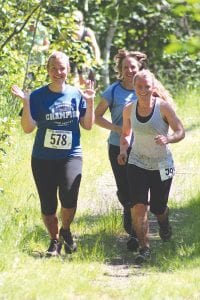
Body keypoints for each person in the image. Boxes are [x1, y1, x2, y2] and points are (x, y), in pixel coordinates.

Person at [11, 51, 95, 257]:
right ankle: (54, 240)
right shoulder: (38, 96)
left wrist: (90, 102)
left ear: (67, 70)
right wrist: (26, 102)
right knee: (48, 204)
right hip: (43, 158)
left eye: (62, 68)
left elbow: (88, 125)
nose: (59, 72)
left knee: (69, 199)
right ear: (48, 71)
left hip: (70, 156)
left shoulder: (76, 94)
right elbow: (28, 128)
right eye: (54, 68)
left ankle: (65, 229)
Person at [118, 69, 185, 263]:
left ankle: (164, 224)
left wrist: (169, 138)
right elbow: (125, 134)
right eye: (140, 86)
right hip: (137, 163)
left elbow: (180, 131)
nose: (143, 90)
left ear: (153, 87)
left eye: (147, 86)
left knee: (158, 207)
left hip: (163, 164)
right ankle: (144, 247)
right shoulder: (129, 109)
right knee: (138, 207)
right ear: (134, 87)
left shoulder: (163, 108)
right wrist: (123, 151)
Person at [95, 49, 147, 252]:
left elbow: (163, 108)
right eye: (125, 67)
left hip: (142, 146)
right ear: (120, 69)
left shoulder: (145, 87)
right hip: (118, 146)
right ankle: (129, 213)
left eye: (133, 67)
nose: (129, 70)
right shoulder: (113, 91)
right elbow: (97, 117)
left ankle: (135, 233)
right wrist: (117, 128)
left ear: (139, 68)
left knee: (139, 189)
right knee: (125, 189)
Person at [70, 10, 101, 86]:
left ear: (81, 21)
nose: (76, 23)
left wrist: (96, 60)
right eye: (74, 21)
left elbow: (95, 47)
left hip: (84, 62)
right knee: (72, 82)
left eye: (77, 21)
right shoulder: (68, 32)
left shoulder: (87, 32)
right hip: (70, 61)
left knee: (84, 83)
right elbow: (60, 46)